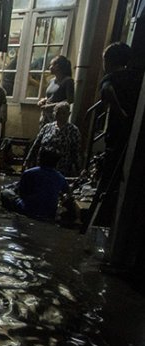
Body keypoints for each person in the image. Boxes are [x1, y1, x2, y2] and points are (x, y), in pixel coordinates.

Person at [88, 42, 143, 228]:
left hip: (118, 137)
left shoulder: (112, 78)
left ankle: (95, 224)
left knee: (107, 182)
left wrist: (120, 113)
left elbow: (107, 90)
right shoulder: (136, 78)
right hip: (132, 137)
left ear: (108, 61)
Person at [0, 148, 76, 221]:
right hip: (49, 213)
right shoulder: (61, 177)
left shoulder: (29, 173)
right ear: (56, 163)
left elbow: (21, 193)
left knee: (5, 193)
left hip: (27, 209)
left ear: (40, 159)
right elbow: (68, 194)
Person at [24, 102, 81, 176]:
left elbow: (76, 152)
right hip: (43, 167)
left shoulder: (73, 130)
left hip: (61, 169)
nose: (60, 115)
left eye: (63, 113)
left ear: (69, 114)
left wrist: (78, 170)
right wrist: (28, 160)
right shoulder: (47, 127)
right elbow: (36, 145)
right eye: (58, 113)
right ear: (54, 114)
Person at [37, 55, 75, 126]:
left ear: (57, 67)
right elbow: (50, 96)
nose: (49, 67)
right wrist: (43, 100)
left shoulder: (68, 81)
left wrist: (51, 106)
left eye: (51, 65)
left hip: (58, 116)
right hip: (46, 115)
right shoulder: (52, 81)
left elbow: (70, 100)